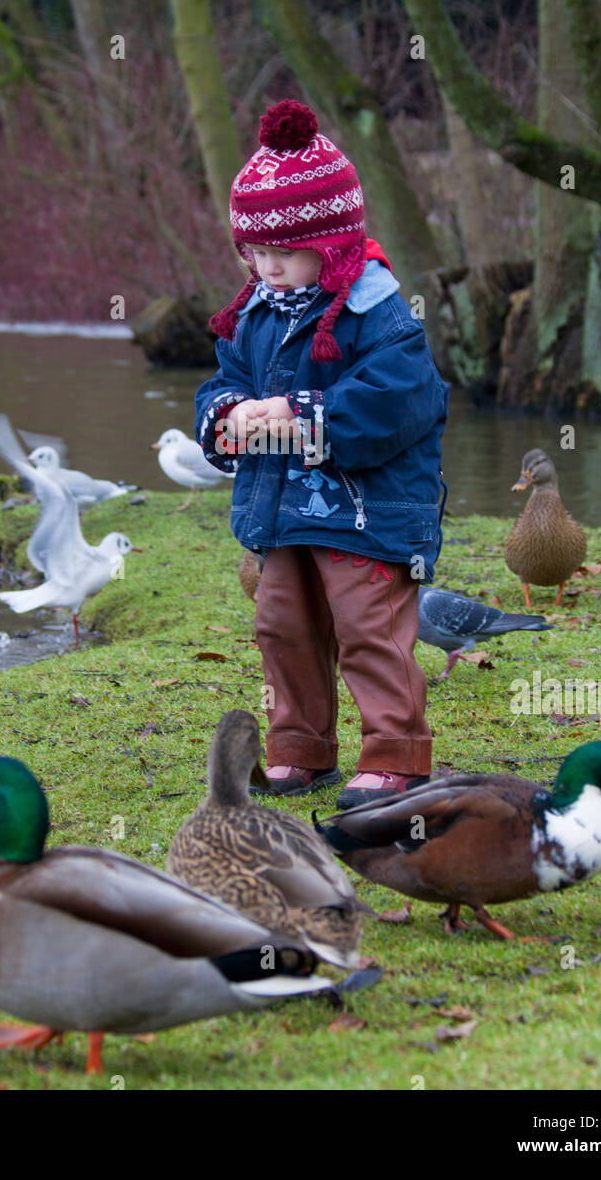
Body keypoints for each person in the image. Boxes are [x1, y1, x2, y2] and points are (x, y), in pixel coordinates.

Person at [195, 99, 449, 809]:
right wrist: (226, 416)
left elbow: (398, 404)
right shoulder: (254, 313)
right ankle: (299, 747)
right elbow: (227, 380)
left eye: (285, 254)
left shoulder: (379, 314)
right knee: (283, 627)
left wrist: (300, 412)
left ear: (333, 245)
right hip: (282, 511)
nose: (268, 268)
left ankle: (397, 753)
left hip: (367, 512)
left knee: (370, 628)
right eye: (257, 253)